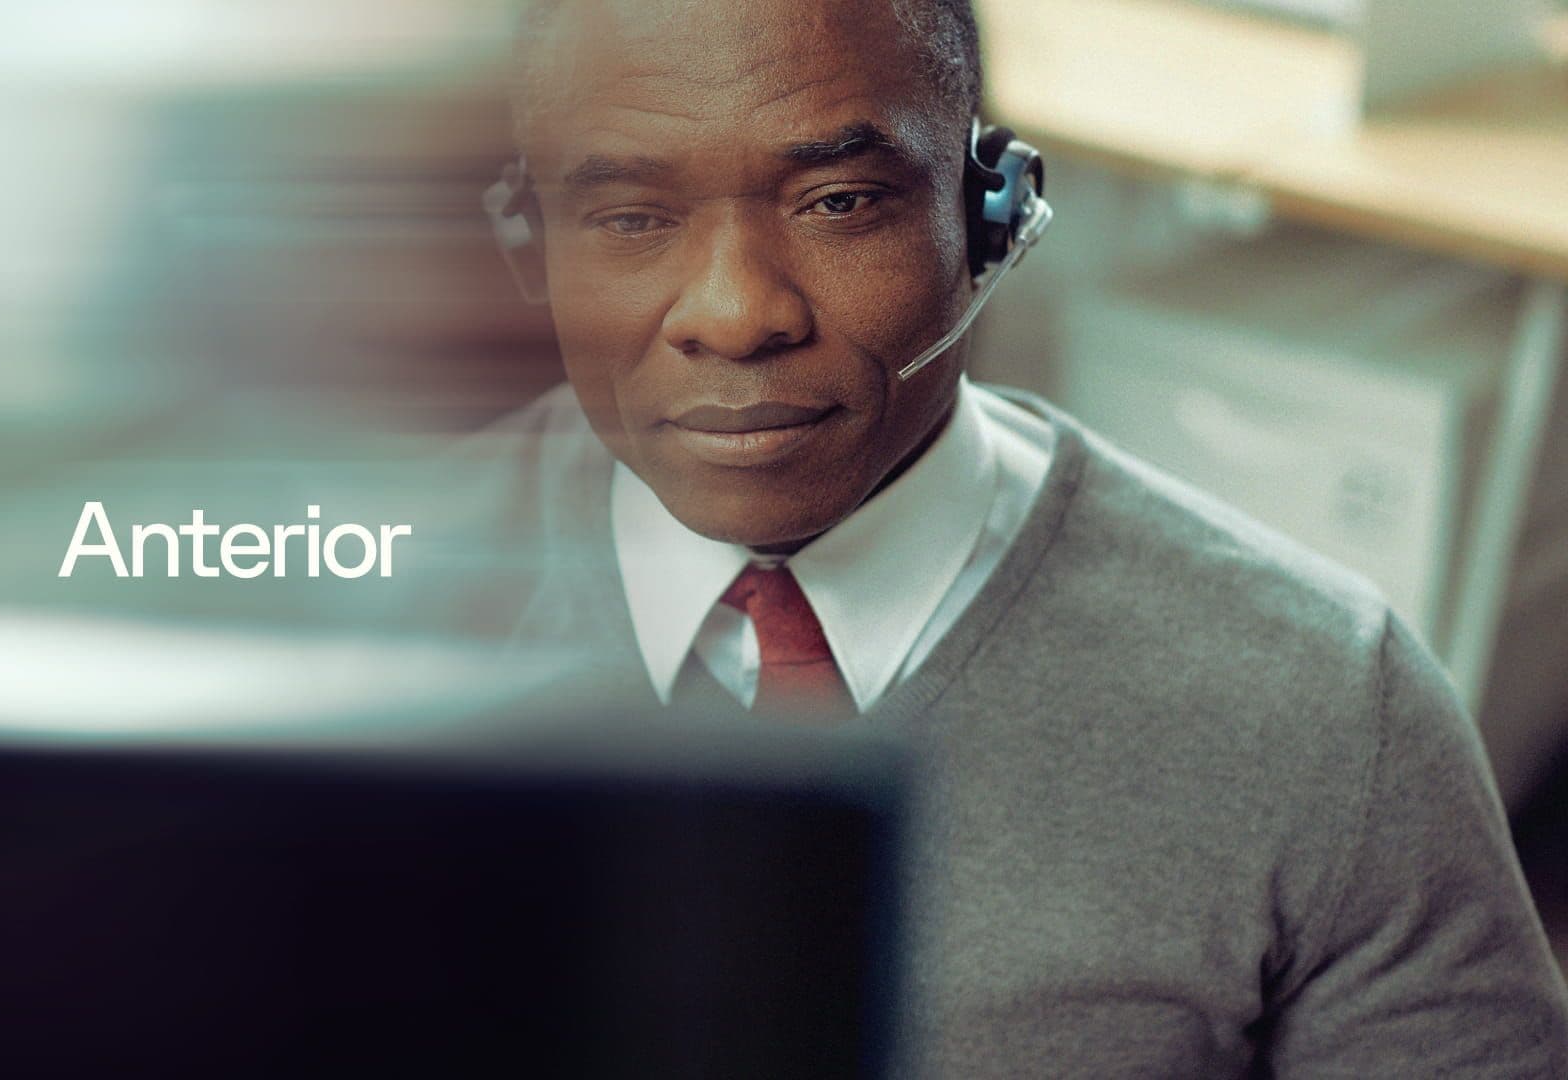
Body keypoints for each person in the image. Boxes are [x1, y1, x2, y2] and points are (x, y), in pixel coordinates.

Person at [432, 0, 1568, 1072]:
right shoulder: (333, 608)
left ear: (994, 215)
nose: (737, 315)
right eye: (631, 218)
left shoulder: (1333, 714)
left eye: (839, 202)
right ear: (531, 248)